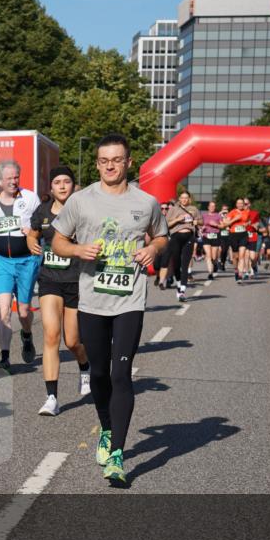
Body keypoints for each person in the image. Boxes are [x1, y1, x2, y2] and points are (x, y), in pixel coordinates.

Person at [50, 133, 168, 486]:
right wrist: (78, 250)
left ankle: (117, 453)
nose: (110, 166)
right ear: (97, 164)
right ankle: (106, 427)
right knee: (99, 374)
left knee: (121, 374)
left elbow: (161, 236)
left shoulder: (146, 202)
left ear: (129, 162)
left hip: (130, 299)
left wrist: (153, 250)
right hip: (92, 300)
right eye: (104, 161)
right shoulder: (80, 200)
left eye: (117, 160)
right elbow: (58, 240)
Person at [26, 165, 91, 416]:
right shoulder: (42, 211)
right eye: (57, 182)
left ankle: (84, 366)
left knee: (72, 341)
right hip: (50, 279)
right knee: (51, 335)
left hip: (76, 280)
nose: (62, 186)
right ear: (51, 188)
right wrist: (31, 243)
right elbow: (32, 234)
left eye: (66, 181)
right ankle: (51, 397)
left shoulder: (83, 210)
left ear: (74, 185)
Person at [0, 160, 42, 372]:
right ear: (0, 180)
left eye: (16, 177)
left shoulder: (30, 198)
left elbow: (42, 224)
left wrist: (32, 232)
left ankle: (27, 335)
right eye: (9, 178)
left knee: (23, 311)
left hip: (26, 261)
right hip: (1, 261)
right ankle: (5, 357)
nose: (13, 182)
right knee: (4, 309)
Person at [161, 190, 200, 302]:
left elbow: (201, 221)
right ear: (179, 199)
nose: (184, 200)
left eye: (186, 198)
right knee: (176, 264)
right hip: (176, 237)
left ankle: (182, 290)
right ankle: (177, 284)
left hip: (189, 237)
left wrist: (197, 222)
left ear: (189, 199)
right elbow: (167, 225)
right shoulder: (173, 209)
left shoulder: (194, 209)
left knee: (185, 264)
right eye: (182, 198)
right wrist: (178, 219)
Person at [221, 198, 250, 284]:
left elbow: (248, 221)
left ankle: (240, 275)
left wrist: (246, 224)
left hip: (243, 235)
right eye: (238, 203)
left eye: (242, 203)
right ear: (236, 204)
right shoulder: (232, 212)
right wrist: (235, 219)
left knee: (242, 255)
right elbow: (225, 224)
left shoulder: (246, 212)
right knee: (235, 256)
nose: (240, 205)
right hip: (234, 235)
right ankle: (236, 270)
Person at [201, 200, 222, 279]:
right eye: (211, 206)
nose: (212, 207)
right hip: (206, 236)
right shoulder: (203, 215)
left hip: (215, 236)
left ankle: (215, 264)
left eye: (214, 206)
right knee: (208, 255)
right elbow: (200, 225)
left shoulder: (218, 216)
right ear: (208, 207)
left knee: (214, 256)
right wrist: (202, 228)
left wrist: (216, 225)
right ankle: (210, 273)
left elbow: (222, 226)